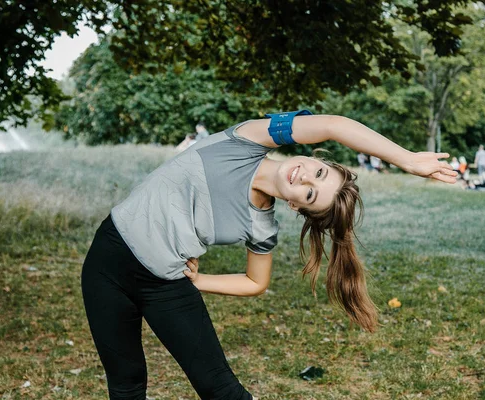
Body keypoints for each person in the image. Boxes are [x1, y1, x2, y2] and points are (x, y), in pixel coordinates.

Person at [81, 111, 457, 400]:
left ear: (296, 207)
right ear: (317, 159)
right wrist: (405, 158)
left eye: (310, 194)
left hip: (164, 282)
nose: (305, 179)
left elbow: (255, 281)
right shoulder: (246, 140)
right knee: (126, 384)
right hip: (106, 262)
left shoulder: (261, 224)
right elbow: (335, 124)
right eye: (320, 173)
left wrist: (198, 281)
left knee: (219, 388)